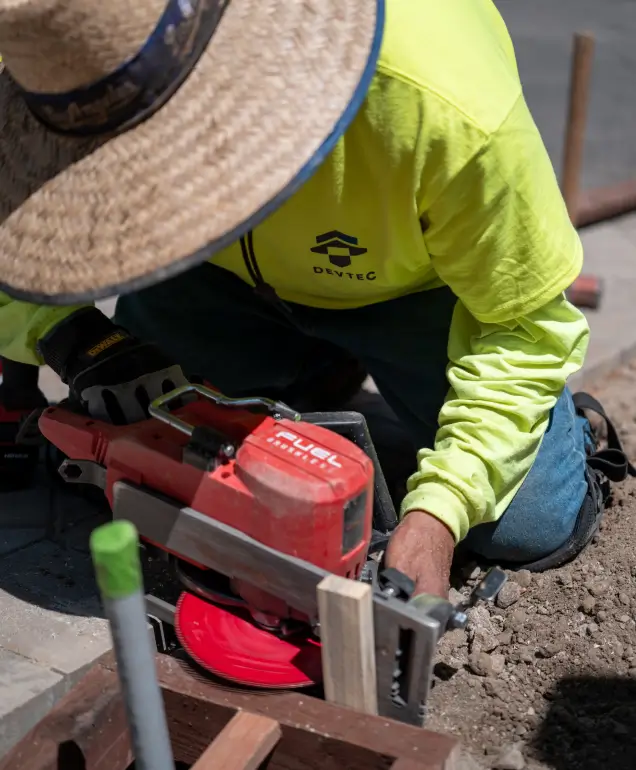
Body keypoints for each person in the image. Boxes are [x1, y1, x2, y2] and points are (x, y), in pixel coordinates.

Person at [0, 0, 631, 599]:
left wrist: (440, 512)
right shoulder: (52, 53)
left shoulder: (440, 101)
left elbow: (524, 329)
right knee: (138, 448)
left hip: (415, 290)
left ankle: (566, 430)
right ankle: (312, 365)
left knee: (525, 525)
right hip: (215, 275)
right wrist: (66, 334)